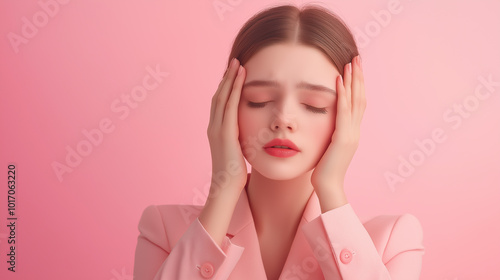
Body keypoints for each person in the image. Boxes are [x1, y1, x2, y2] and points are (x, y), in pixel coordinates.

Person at [133, 4, 424, 280]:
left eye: (314, 104)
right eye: (258, 100)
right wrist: (223, 191)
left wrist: (332, 188)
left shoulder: (390, 241)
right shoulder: (165, 229)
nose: (283, 119)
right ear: (227, 104)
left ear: (348, 117)